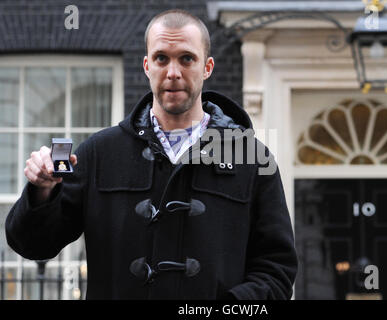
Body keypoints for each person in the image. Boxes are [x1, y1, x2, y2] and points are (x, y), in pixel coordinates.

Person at [5, 9, 297, 300]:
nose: (173, 72)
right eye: (161, 58)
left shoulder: (252, 159)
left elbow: (277, 271)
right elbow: (34, 246)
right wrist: (41, 192)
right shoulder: (99, 154)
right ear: (147, 65)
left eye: (186, 58)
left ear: (207, 67)